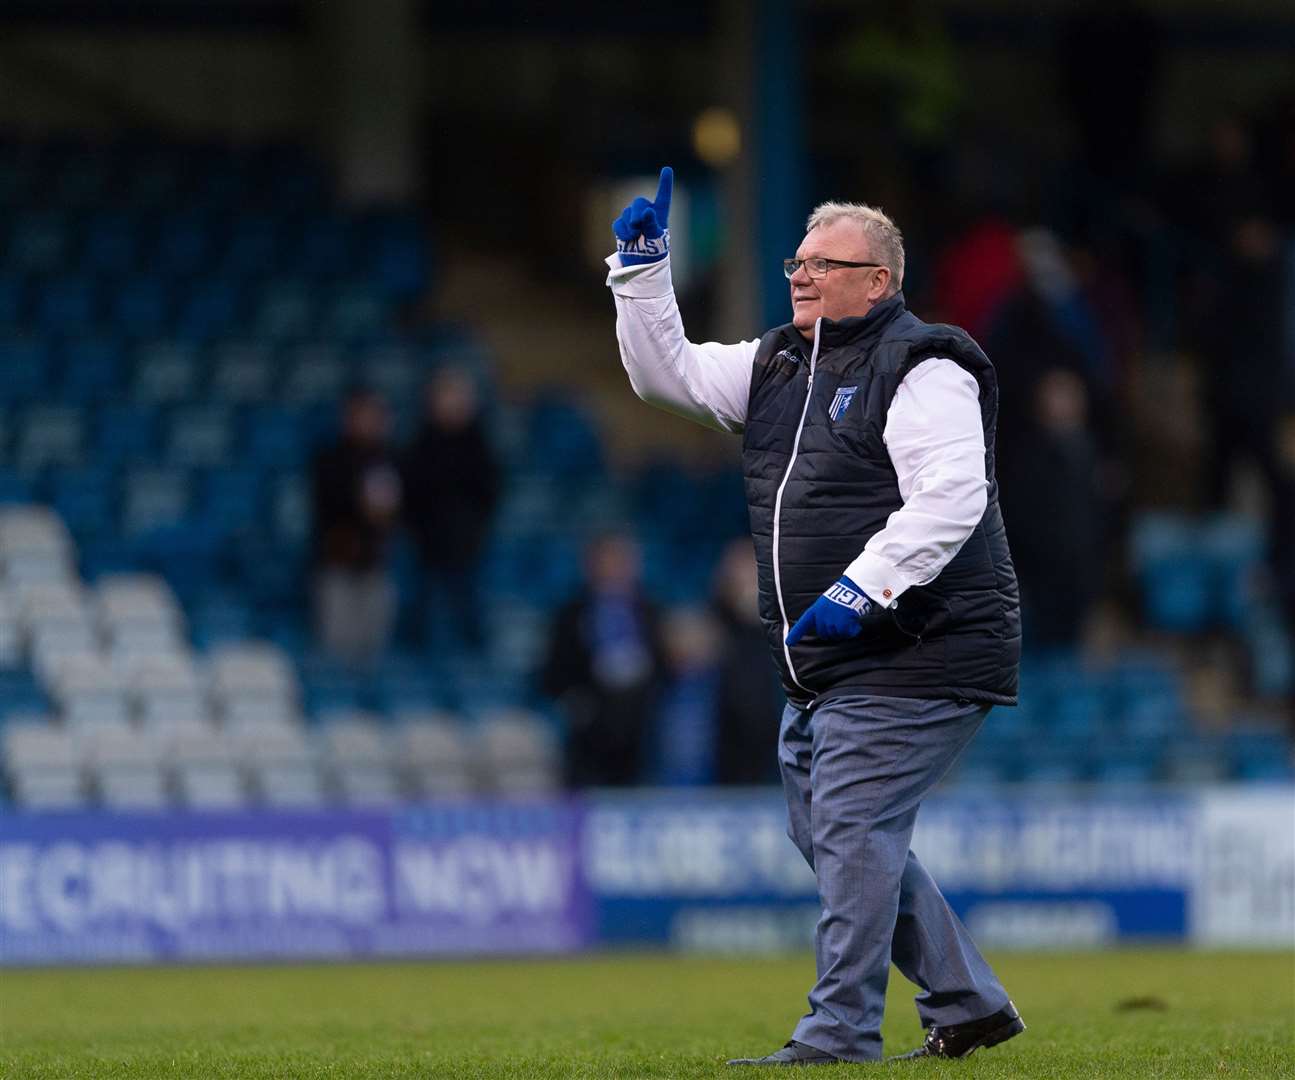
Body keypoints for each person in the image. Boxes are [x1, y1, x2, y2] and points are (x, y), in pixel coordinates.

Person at [606, 168, 1023, 1064]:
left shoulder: (925, 363)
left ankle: (836, 1033)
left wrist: (856, 591)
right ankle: (967, 1001)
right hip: (827, 659)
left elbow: (951, 497)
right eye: (796, 260)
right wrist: (641, 272)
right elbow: (663, 376)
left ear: (878, 282)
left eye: (823, 263)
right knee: (831, 833)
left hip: (919, 644)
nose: (799, 274)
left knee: (850, 828)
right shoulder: (778, 363)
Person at [540, 533, 667, 788]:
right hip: (591, 723)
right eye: (606, 560)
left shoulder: (651, 610)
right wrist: (574, 701)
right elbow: (552, 671)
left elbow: (664, 662)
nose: (613, 568)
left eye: (620, 560)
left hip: (642, 723)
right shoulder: (570, 614)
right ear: (589, 565)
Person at [400, 367, 502, 653]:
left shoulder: (478, 443)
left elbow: (489, 490)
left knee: (470, 615)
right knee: (421, 617)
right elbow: (411, 491)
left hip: (468, 544)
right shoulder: (420, 443)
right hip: (427, 544)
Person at [309, 387, 402, 666]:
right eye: (362, 416)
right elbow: (325, 506)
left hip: (376, 562)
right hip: (337, 560)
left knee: (373, 650)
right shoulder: (330, 460)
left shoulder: (390, 459)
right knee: (337, 650)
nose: (369, 423)